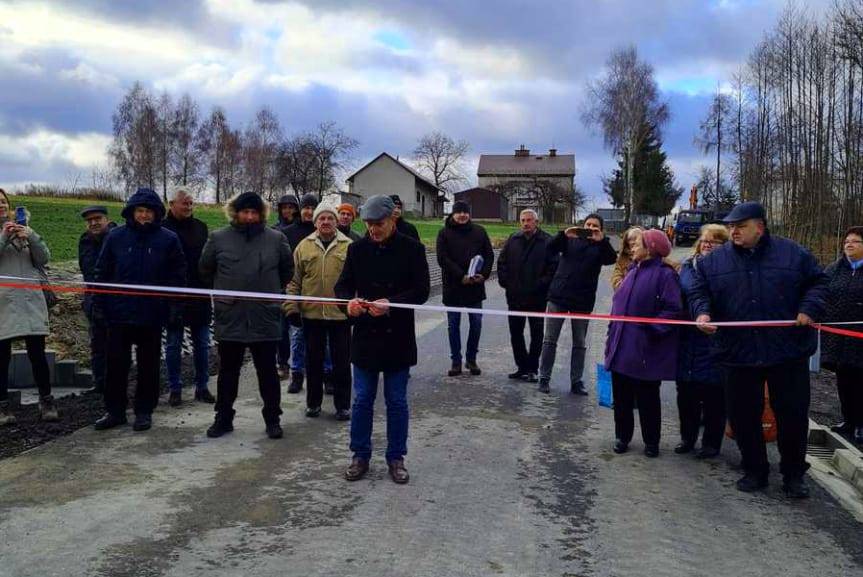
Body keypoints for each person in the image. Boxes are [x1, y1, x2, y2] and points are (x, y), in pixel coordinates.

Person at [689, 201, 828, 498]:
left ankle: (793, 475)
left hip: (786, 351)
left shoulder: (793, 254)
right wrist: (702, 313)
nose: (734, 232)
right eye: (731, 227)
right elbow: (699, 292)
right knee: (742, 415)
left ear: (760, 227)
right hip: (737, 352)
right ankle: (755, 469)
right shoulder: (715, 262)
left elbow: (818, 284)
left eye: (740, 226)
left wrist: (809, 308)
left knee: (791, 415)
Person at [334, 195, 430, 484]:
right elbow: (343, 286)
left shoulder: (412, 249)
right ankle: (360, 455)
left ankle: (396, 457)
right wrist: (346, 304)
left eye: (379, 224)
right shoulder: (357, 250)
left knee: (396, 401)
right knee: (362, 399)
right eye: (369, 224)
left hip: (397, 336)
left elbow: (422, 291)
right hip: (365, 336)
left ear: (393, 220)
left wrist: (392, 303)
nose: (373, 230)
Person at [200, 192, 294, 440]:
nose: (250, 217)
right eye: (245, 212)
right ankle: (223, 418)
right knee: (228, 372)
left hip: (264, 316)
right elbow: (205, 269)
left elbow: (287, 272)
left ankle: (273, 419)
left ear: (261, 213)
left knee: (267, 372)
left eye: (254, 212)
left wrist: (266, 291)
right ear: (236, 213)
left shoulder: (276, 239)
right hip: (230, 316)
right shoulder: (218, 238)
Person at [93, 188, 186, 432]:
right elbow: (101, 273)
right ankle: (115, 411)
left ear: (156, 214)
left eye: (148, 212)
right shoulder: (115, 237)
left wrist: (175, 307)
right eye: (140, 211)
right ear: (132, 212)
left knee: (149, 365)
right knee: (115, 365)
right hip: (119, 313)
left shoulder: (168, 239)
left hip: (151, 314)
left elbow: (177, 276)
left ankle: (144, 411)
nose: (144, 216)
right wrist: (98, 305)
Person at [604, 229, 680, 458]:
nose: (632, 247)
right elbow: (617, 306)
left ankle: (651, 441)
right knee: (622, 397)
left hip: (646, 347)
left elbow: (673, 310)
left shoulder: (666, 276)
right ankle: (622, 436)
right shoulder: (631, 271)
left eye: (637, 244)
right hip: (621, 345)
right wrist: (611, 332)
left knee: (648, 397)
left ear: (651, 249)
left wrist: (652, 328)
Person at [284, 203, 352, 421]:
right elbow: (294, 281)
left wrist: (355, 308)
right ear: (315, 222)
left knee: (342, 363)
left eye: (329, 218)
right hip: (312, 315)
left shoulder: (348, 246)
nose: (325, 222)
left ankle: (343, 406)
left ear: (336, 221)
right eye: (321, 218)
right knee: (313, 362)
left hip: (340, 315)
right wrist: (292, 307)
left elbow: (357, 281)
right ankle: (313, 404)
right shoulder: (304, 246)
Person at [538, 214, 617, 394]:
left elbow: (611, 259)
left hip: (582, 301)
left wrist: (602, 241)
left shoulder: (600, 246)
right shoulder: (570, 239)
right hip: (558, 296)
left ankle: (576, 381)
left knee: (579, 342)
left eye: (595, 226)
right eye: (588, 224)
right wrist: (563, 234)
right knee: (550, 340)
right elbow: (549, 247)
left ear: (600, 229)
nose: (590, 228)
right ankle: (544, 378)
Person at [0, 190, 58, 425]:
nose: (1, 206)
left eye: (3, 202)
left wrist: (31, 235)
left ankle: (46, 400)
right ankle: (2, 406)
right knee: (1, 358)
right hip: (4, 304)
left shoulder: (25, 230)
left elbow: (44, 258)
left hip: (31, 301)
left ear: (10, 205)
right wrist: (4, 237)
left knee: (38, 355)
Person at [675, 224, 730, 458]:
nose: (707, 244)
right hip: (688, 337)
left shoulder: (728, 270)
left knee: (714, 397)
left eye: (714, 241)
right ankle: (687, 438)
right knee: (686, 394)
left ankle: (711, 443)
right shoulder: (688, 267)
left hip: (716, 338)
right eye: (705, 240)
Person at [162, 187, 214, 406]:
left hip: (199, 294)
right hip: (173, 296)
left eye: (191, 203)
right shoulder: (162, 229)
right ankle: (175, 388)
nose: (189, 207)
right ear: (171, 204)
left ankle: (202, 386)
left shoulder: (201, 228)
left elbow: (208, 260)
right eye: (185, 203)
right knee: (173, 344)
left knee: (202, 344)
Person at [436, 201, 494, 377]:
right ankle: (456, 361)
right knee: (453, 326)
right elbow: (442, 259)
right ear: (453, 214)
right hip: (453, 287)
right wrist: (461, 276)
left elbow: (489, 255)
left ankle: (471, 359)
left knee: (476, 324)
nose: (462, 215)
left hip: (475, 288)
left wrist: (483, 274)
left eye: (465, 212)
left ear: (469, 214)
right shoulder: (444, 233)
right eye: (458, 212)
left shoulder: (479, 231)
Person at [497, 209, 555, 382]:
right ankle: (521, 366)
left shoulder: (547, 241)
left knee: (537, 334)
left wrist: (540, 285)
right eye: (523, 220)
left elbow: (553, 268)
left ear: (536, 222)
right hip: (514, 296)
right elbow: (502, 262)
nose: (526, 223)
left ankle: (532, 368)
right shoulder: (513, 239)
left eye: (529, 220)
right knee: (516, 333)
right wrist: (505, 281)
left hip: (537, 297)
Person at [821, 226, 863, 445]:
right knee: (844, 380)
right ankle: (848, 420)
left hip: (860, 338)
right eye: (847, 241)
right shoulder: (835, 268)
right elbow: (821, 292)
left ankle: (861, 424)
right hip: (838, 337)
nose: (849, 244)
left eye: (856, 241)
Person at [283, 193, 319, 393]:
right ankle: (296, 375)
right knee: (297, 337)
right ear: (300, 209)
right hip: (297, 292)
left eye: (313, 208)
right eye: (306, 207)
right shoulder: (288, 233)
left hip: (320, 295)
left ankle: (327, 374)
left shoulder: (322, 231)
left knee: (326, 341)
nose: (309, 211)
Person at [78, 204, 115, 395]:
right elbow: (86, 271)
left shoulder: (116, 238)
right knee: (97, 344)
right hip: (93, 301)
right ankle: (99, 382)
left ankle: (115, 384)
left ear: (106, 220)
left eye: (97, 219)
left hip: (114, 302)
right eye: (89, 220)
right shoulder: (84, 241)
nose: (93, 223)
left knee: (115, 346)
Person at [273, 193, 300, 379]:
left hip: (300, 284)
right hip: (281, 284)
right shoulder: (274, 230)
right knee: (281, 329)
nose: (288, 210)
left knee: (300, 330)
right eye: (285, 207)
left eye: (291, 207)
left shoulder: (302, 229)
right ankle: (283, 363)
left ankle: (301, 366)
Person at [611, 226, 644, 291]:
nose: (634, 241)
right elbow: (616, 277)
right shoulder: (623, 259)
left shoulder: (650, 256)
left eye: (636, 238)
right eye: (632, 244)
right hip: (626, 295)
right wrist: (622, 286)